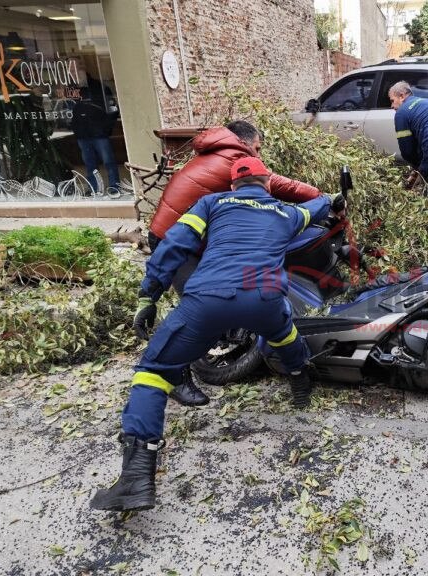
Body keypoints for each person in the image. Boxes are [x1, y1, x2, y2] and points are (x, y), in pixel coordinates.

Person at [90, 156, 332, 512]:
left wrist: (149, 296)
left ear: (233, 185)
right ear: (267, 184)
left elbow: (174, 245)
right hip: (263, 298)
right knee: (283, 333)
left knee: (153, 371)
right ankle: (299, 381)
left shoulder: (212, 202)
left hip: (208, 299)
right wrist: (330, 199)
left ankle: (136, 476)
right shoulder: (286, 213)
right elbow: (317, 205)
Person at [148, 120, 322, 407]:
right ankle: (177, 378)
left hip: (174, 233)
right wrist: (320, 198)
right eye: (257, 147)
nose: (258, 153)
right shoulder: (237, 158)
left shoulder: (217, 151)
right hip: (177, 241)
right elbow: (280, 185)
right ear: (246, 141)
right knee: (197, 309)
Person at [70, 86, 120, 194]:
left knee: (108, 162)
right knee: (90, 164)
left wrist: (106, 128)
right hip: (84, 135)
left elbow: (113, 109)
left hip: (99, 134)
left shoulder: (100, 87)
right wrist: (77, 130)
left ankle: (114, 186)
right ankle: (94, 188)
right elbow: (73, 111)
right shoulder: (75, 89)